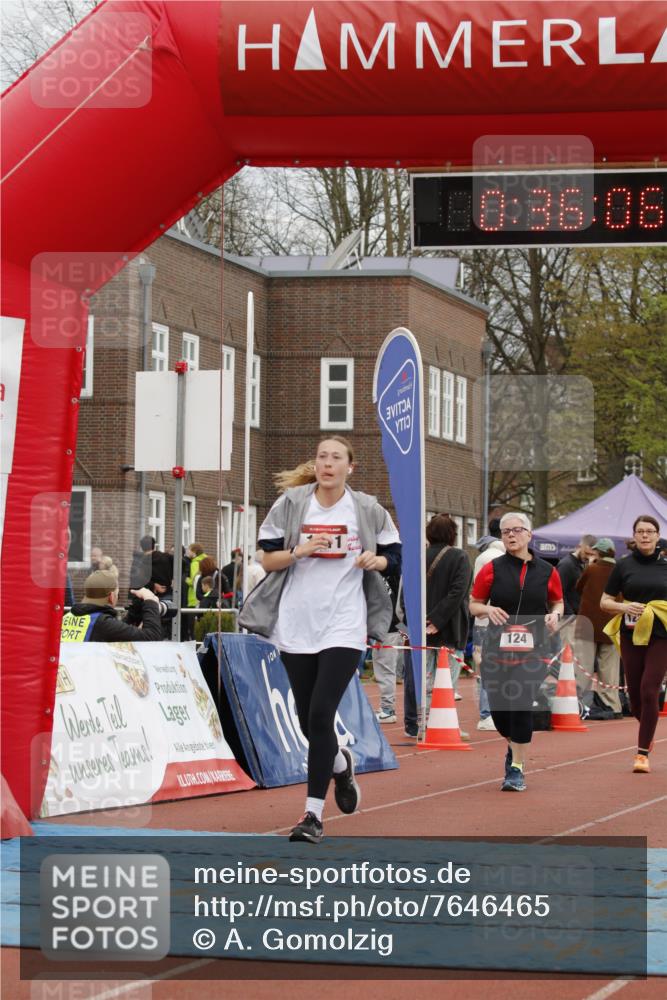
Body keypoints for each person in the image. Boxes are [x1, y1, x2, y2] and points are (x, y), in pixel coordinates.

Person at [240, 435, 401, 844]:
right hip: (296, 623)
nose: (327, 463)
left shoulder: (366, 508)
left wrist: (375, 560)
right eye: (321, 457)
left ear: (351, 466)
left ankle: (312, 815)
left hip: (345, 624)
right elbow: (267, 558)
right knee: (307, 718)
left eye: (336, 458)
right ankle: (340, 765)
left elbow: (394, 556)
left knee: (321, 711)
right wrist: (300, 550)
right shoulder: (293, 504)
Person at [469, 512, 564, 792]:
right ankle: (514, 747)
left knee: (521, 703)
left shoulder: (548, 571)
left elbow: (557, 602)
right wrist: (488, 609)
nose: (511, 535)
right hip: (498, 647)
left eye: (517, 530)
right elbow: (474, 604)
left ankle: (517, 768)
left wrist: (555, 616)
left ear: (529, 534)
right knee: (501, 714)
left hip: (534, 649)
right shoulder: (492, 568)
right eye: (505, 531)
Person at [600, 515, 667, 774]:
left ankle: (641, 753)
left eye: (650, 531)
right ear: (634, 536)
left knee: (650, 689)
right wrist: (624, 605)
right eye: (640, 531)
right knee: (636, 698)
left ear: (658, 535)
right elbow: (604, 602)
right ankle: (647, 728)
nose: (645, 536)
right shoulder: (623, 566)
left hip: (661, 635)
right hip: (631, 633)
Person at [404, 515, 472, 737]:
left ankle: (423, 723)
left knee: (424, 680)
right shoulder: (460, 557)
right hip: (450, 627)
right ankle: (443, 723)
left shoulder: (418, 557)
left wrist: (422, 620)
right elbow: (458, 592)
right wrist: (438, 619)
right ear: (453, 534)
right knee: (446, 682)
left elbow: (409, 591)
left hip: (421, 626)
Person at [573, 537, 622, 718]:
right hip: (611, 622)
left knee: (583, 666)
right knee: (609, 668)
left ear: (598, 552)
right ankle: (612, 705)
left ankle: (579, 704)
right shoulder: (620, 570)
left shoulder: (592, 569)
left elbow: (578, 588)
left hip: (588, 623)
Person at [61, 570, 163, 642]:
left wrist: (132, 614)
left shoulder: (67, 617)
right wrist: (150, 601)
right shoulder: (102, 623)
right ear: (111, 597)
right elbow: (152, 638)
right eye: (117, 594)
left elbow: (114, 630)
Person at [473, 519, 505, 731]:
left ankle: (487, 713)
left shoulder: (482, 557)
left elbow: (476, 590)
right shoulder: (505, 558)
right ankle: (493, 711)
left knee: (484, 665)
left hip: (483, 618)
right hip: (501, 618)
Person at [373, 568, 403, 724]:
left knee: (385, 669)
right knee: (388, 668)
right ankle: (387, 708)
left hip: (387, 628)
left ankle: (387, 709)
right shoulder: (396, 573)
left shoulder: (383, 575)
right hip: (394, 626)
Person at [556, 534, 597, 646]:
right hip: (568, 620)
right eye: (587, 553)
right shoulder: (566, 565)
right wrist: (571, 616)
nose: (588, 557)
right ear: (579, 546)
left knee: (577, 657)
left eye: (592, 555)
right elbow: (558, 593)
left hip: (578, 618)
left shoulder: (582, 564)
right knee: (568, 656)